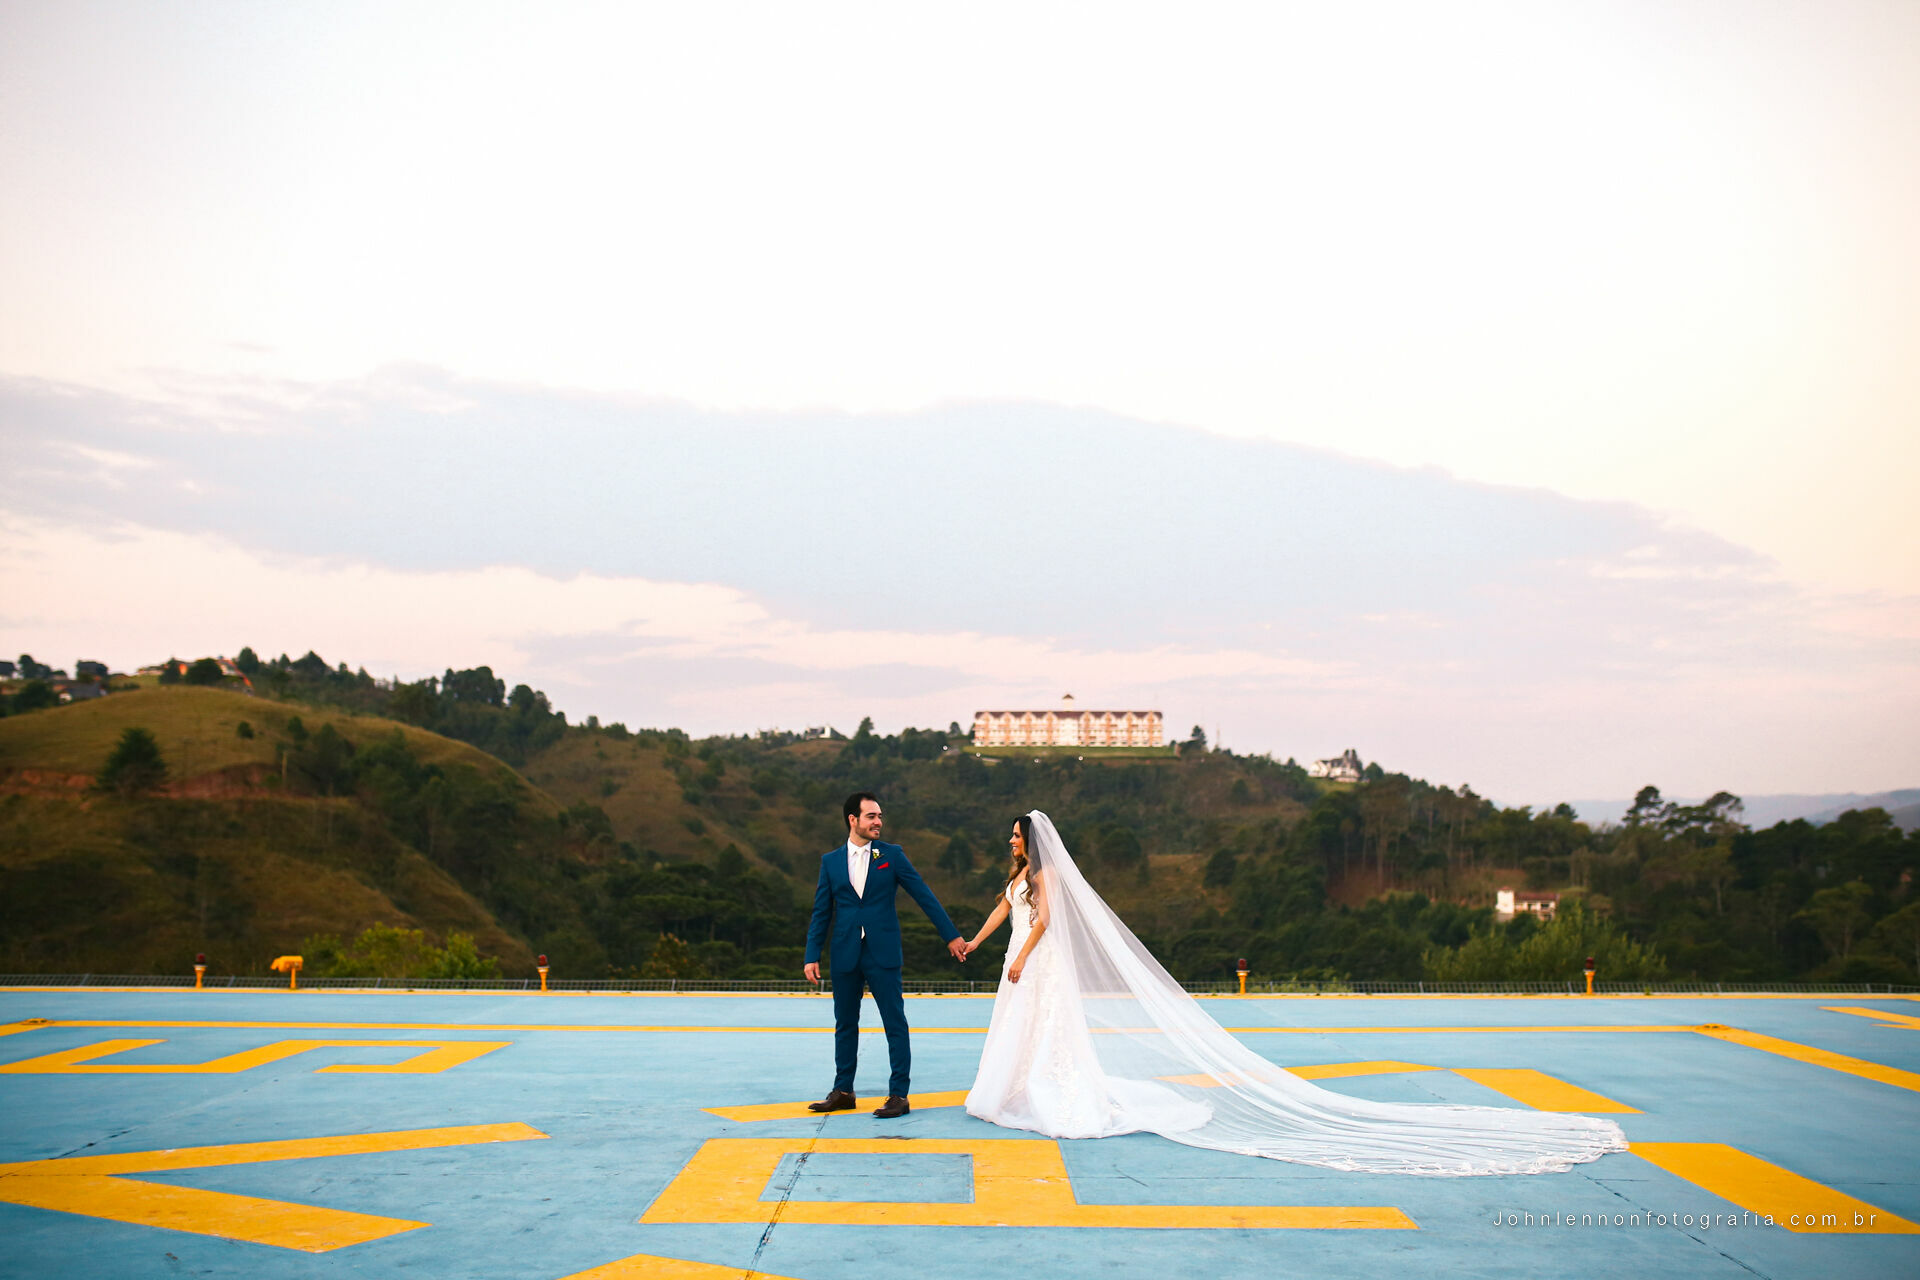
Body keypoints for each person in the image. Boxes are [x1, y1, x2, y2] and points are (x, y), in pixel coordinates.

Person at [961, 811, 1630, 1176]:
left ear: (1032, 838)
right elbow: (1006, 910)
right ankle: (1016, 1089)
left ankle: (1051, 1094)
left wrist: (1019, 957)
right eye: (1011, 837)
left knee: (1049, 1034)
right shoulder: (1018, 875)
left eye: (1015, 834)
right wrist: (976, 942)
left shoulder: (1046, 878)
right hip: (1019, 967)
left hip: (1038, 968)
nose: (1012, 841)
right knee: (1019, 1034)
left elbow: (1043, 923)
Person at [803, 791, 969, 1118]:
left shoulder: (891, 855)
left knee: (894, 1022)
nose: (878, 822)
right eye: (871, 816)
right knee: (845, 1024)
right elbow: (821, 912)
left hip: (882, 952)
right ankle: (843, 1090)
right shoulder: (831, 861)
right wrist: (812, 954)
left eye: (880, 816)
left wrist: (951, 934)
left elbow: (923, 894)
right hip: (845, 952)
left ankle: (899, 1095)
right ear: (853, 820)